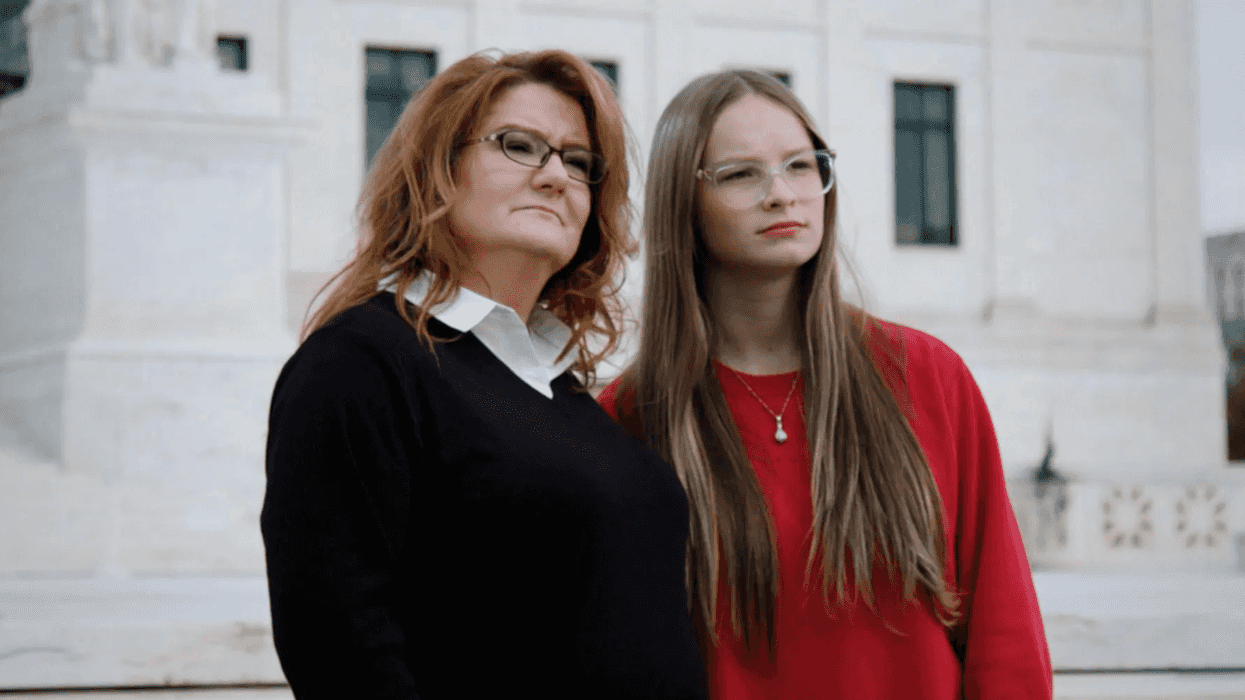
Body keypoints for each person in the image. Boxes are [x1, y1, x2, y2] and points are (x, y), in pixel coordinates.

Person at [261, 50, 707, 699]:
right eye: (519, 145)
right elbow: (340, 648)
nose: (556, 177)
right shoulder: (360, 362)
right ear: (437, 167)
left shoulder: (563, 387)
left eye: (578, 161)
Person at [597, 69, 1052, 699]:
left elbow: (1005, 634)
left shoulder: (927, 377)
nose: (782, 194)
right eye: (740, 174)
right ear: (684, 203)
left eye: (801, 166)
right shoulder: (628, 418)